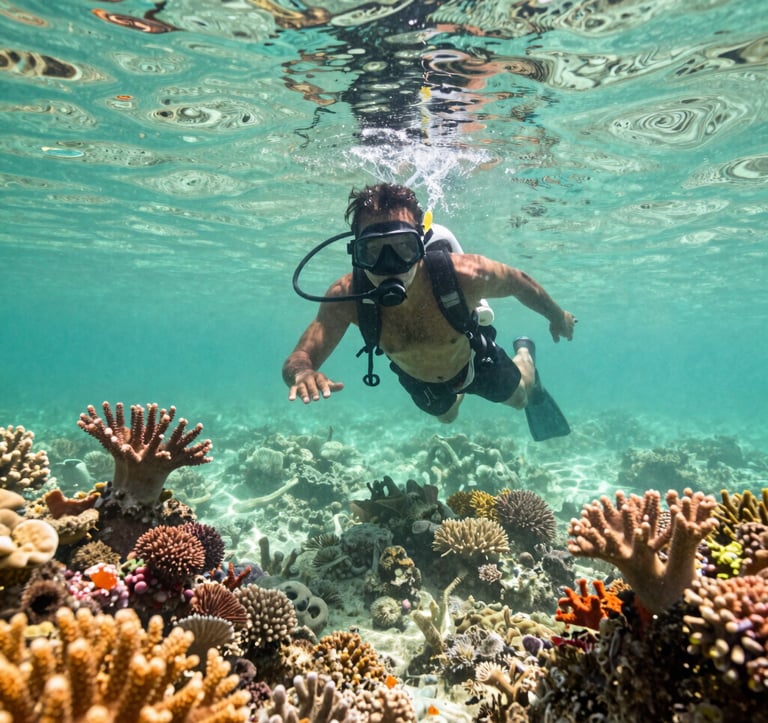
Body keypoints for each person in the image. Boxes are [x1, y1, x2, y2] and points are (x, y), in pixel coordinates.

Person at [282, 183, 576, 432]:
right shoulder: (347, 297)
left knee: (521, 399)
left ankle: (524, 352)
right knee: (446, 418)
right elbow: (301, 357)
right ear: (355, 251)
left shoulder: (464, 275)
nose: (389, 266)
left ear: (421, 242)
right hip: (417, 378)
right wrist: (302, 374)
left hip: (475, 360)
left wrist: (557, 315)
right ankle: (456, 396)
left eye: (403, 247)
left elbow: (520, 283)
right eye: (373, 250)